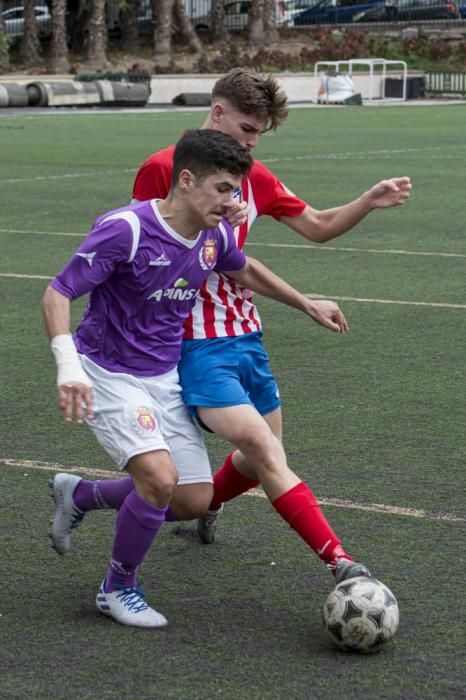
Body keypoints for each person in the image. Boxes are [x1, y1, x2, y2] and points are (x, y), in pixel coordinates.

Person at [49, 68, 411, 587]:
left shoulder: (253, 175)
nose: (252, 143)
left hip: (246, 334)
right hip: (190, 340)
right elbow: (145, 251)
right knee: (262, 450)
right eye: (246, 129)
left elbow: (313, 227)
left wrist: (366, 203)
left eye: (259, 135)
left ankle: (100, 495)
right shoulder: (164, 170)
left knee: (251, 459)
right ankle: (341, 563)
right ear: (218, 113)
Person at [44, 128, 350, 628]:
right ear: (186, 180)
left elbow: (243, 268)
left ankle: (80, 495)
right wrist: (68, 365)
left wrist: (306, 302)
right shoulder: (125, 229)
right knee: (160, 479)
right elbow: (57, 294)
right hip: (108, 374)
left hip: (163, 376)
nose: (232, 203)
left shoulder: (213, 235)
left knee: (192, 499)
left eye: (236, 191)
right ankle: (118, 587)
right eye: (223, 189)